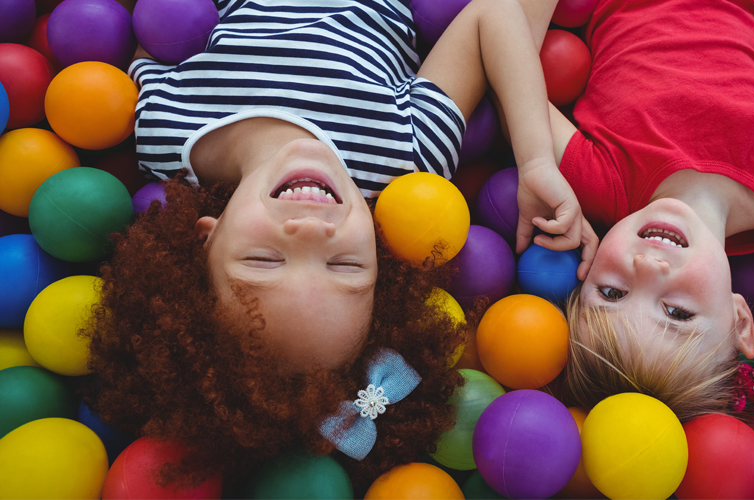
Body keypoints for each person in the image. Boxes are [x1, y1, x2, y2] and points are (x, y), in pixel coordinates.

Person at [83, 0, 595, 488]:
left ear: (205, 238)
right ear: (378, 249)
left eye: (264, 260)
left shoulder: (161, 133)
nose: (311, 230)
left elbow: (158, 33)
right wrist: (535, 162)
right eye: (346, 265)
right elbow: (494, 13)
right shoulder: (405, 157)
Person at [535, 0, 754, 419]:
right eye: (677, 313)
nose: (647, 266)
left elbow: (521, 98)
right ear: (740, 321)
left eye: (612, 293)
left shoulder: (600, 183)